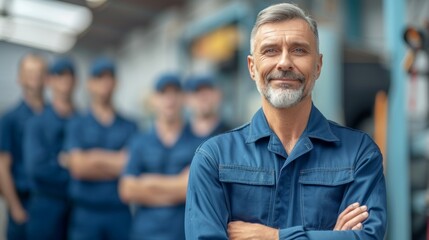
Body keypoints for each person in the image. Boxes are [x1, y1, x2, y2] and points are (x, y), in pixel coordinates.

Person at [185, 3, 387, 240]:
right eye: (270, 51)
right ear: (252, 67)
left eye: (299, 50)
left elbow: (367, 238)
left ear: (318, 65)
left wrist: (274, 236)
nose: (284, 62)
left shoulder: (359, 155)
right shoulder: (214, 159)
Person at [119, 74, 202, 240]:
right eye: (163, 93)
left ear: (183, 98)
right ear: (154, 100)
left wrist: (147, 183)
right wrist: (177, 185)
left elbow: (195, 190)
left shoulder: (199, 144)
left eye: (175, 93)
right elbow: (127, 190)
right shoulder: (139, 143)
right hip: (145, 234)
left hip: (183, 234)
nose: (169, 99)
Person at [63, 57, 137, 240]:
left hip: (119, 214)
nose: (104, 83)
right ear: (89, 84)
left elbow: (130, 166)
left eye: (108, 77)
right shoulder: (77, 124)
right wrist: (115, 161)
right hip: (85, 214)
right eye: (98, 77)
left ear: (116, 83)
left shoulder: (130, 126)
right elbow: (78, 168)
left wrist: (93, 157)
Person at [23, 57, 77, 240]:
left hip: (77, 208)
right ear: (49, 80)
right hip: (46, 206)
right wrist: (74, 167)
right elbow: (37, 168)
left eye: (69, 76)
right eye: (59, 76)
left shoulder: (83, 121)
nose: (65, 82)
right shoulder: (37, 123)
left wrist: (69, 163)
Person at [0, 53, 46, 240]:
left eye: (39, 72)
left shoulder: (56, 118)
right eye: (29, 72)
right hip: (23, 201)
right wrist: (15, 207)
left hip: (53, 203)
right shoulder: (9, 119)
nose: (34, 77)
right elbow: (3, 166)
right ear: (20, 77)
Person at [185, 74, 230, 140]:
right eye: (197, 92)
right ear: (188, 99)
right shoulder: (178, 137)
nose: (203, 97)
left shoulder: (230, 135)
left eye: (208, 91)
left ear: (218, 95)